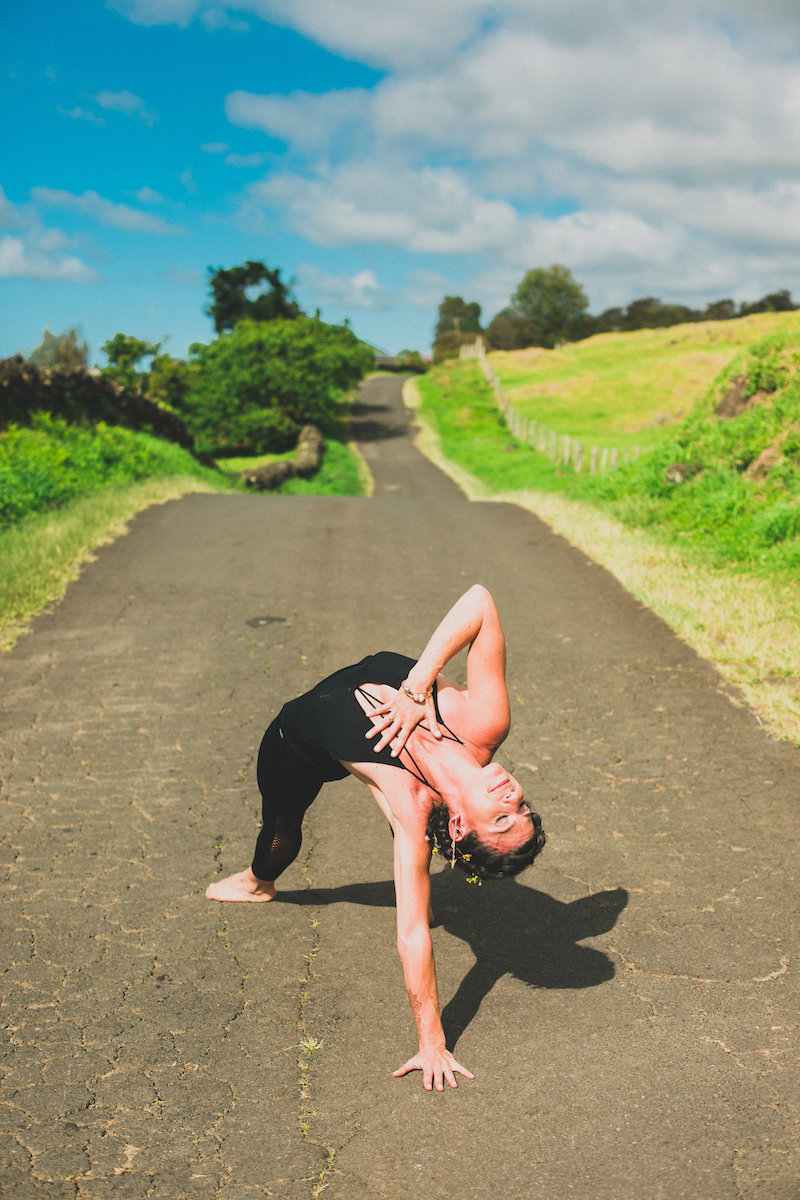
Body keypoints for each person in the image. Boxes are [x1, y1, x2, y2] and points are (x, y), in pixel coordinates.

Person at [206, 584, 545, 1091]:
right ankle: (400, 840)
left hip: (295, 741)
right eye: (522, 806)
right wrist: (415, 689)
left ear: (460, 827)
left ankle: (259, 882)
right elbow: (479, 600)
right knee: (408, 799)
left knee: (282, 827)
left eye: (501, 818)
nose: (511, 794)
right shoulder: (484, 722)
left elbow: (411, 935)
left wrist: (431, 1042)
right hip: (381, 720)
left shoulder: (412, 810)